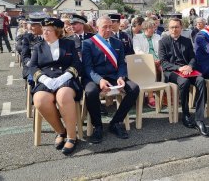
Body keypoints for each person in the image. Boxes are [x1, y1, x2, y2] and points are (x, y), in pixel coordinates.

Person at [81, 16, 139, 143]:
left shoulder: (118, 43)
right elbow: (88, 67)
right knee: (91, 92)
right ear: (97, 28)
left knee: (134, 88)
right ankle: (98, 126)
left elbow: (122, 64)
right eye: (104, 27)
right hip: (94, 77)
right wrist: (100, 80)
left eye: (110, 27)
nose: (108, 30)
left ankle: (116, 122)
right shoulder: (87, 43)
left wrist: (121, 77)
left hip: (114, 76)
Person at [29, 18, 82, 155]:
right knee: (40, 100)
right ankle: (61, 131)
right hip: (46, 80)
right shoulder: (38, 46)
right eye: (44, 29)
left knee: (63, 96)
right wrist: (45, 80)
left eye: (48, 30)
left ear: (57, 31)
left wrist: (64, 77)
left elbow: (76, 63)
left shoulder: (68, 44)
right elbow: (33, 67)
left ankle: (72, 136)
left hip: (65, 79)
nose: (44, 32)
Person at [159, 18, 209, 136]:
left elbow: (193, 57)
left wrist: (190, 66)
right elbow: (163, 62)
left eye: (177, 27)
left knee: (201, 80)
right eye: (172, 27)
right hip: (172, 71)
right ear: (168, 28)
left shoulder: (187, 41)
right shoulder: (163, 41)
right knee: (184, 82)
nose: (174, 29)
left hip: (187, 70)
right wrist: (178, 68)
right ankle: (186, 114)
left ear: (181, 28)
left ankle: (199, 119)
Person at [133, 19, 161, 108]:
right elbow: (138, 51)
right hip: (144, 61)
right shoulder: (137, 37)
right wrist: (150, 59)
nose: (153, 30)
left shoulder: (157, 37)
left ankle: (164, 95)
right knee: (151, 68)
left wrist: (159, 59)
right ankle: (150, 97)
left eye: (154, 28)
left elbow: (161, 50)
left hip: (158, 60)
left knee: (165, 68)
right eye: (151, 28)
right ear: (145, 29)